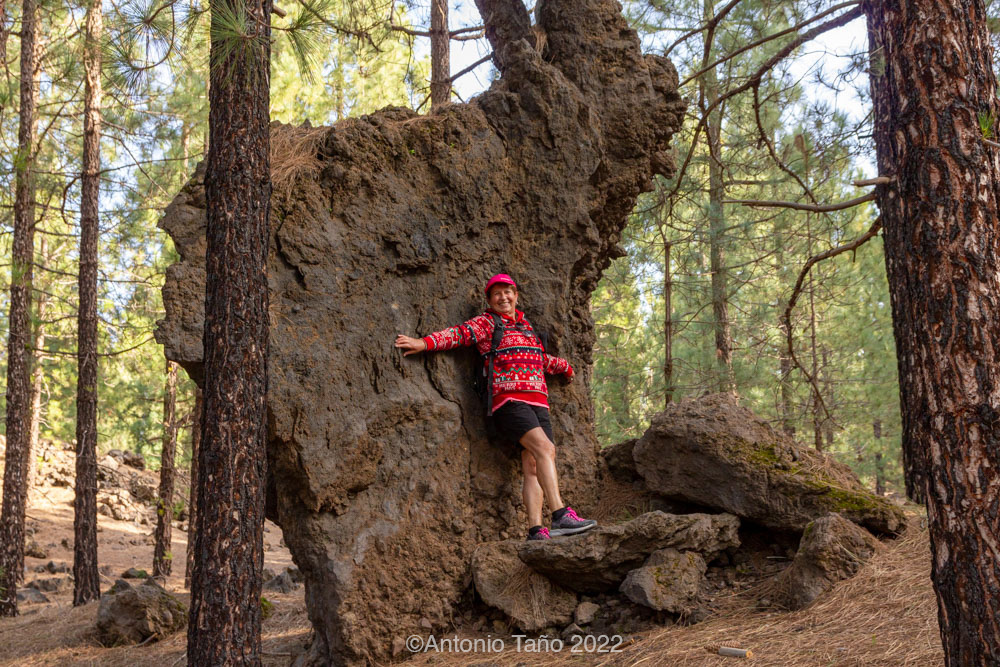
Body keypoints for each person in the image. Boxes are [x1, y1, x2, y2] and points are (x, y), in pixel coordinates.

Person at [395, 273, 597, 541]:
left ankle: (536, 530)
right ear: (489, 300)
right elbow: (458, 334)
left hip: (539, 402)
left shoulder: (526, 328)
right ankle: (560, 514)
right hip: (509, 401)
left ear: (516, 296)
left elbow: (538, 359)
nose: (504, 297)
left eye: (508, 292)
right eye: (497, 293)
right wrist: (423, 343)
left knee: (532, 464)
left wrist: (564, 367)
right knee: (546, 449)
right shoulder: (487, 323)